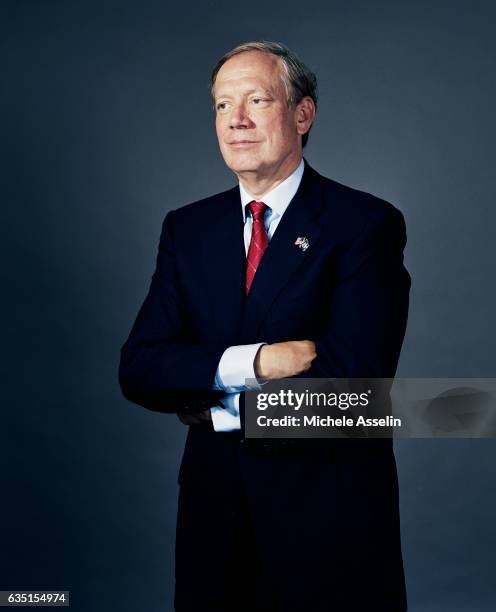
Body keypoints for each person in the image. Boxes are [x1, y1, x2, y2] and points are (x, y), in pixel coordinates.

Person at [119, 40, 411, 612]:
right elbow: (141, 367)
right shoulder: (188, 229)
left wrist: (219, 409)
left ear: (303, 114)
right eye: (223, 106)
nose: (237, 121)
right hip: (215, 522)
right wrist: (254, 363)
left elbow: (355, 391)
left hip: (329, 525)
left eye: (257, 99)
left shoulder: (364, 224)